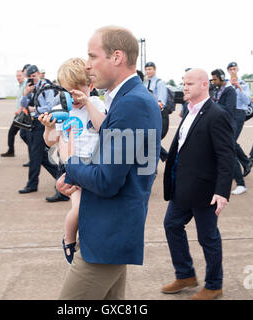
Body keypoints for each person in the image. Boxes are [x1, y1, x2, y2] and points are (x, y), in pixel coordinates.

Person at [56, 26, 161, 300]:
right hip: (110, 232)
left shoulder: (132, 104)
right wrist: (76, 176)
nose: (88, 66)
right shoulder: (127, 100)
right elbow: (113, 160)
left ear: (117, 57)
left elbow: (107, 180)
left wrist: (70, 164)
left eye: (92, 56)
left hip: (107, 237)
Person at [162, 69, 234, 300]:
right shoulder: (189, 112)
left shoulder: (216, 114)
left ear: (204, 85)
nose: (184, 87)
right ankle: (185, 275)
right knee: (172, 225)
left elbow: (226, 156)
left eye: (189, 83)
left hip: (205, 190)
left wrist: (222, 192)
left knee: (208, 238)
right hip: (183, 187)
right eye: (183, 83)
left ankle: (214, 285)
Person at [38, 57, 107, 264]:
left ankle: (86, 241)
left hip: (94, 166)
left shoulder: (95, 104)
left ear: (91, 86)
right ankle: (68, 239)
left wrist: (87, 103)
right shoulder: (62, 111)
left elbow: (102, 127)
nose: (73, 96)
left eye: (79, 90)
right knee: (78, 208)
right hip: (73, 168)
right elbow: (50, 143)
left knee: (94, 212)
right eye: (68, 91)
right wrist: (48, 127)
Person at [18, 65, 63, 202]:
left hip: (41, 123)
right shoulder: (31, 88)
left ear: (39, 74)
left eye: (34, 76)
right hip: (32, 122)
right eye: (30, 77)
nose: (32, 79)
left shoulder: (47, 87)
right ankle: (61, 177)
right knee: (41, 156)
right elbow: (22, 103)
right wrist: (25, 94)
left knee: (35, 154)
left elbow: (49, 106)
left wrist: (34, 108)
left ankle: (32, 184)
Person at [211, 69, 246, 195]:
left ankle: (241, 183)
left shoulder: (230, 91)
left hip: (227, 127)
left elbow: (229, 109)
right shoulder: (216, 90)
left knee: (230, 155)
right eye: (212, 79)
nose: (213, 82)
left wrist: (212, 105)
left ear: (221, 78)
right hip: (218, 126)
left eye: (215, 79)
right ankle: (246, 164)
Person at [144, 61, 169, 162]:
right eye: (146, 69)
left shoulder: (159, 83)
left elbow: (161, 102)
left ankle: (165, 158)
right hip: (149, 115)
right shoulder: (145, 83)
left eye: (150, 69)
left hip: (159, 115)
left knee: (152, 140)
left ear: (155, 69)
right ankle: (165, 157)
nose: (148, 71)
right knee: (150, 140)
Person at [1, 70, 27, 157]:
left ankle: (38, 152)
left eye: (20, 76)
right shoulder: (20, 86)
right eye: (17, 76)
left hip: (23, 114)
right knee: (14, 133)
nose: (18, 78)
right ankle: (11, 150)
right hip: (19, 114)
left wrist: (20, 109)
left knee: (24, 135)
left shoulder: (25, 85)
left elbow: (27, 99)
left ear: (24, 75)